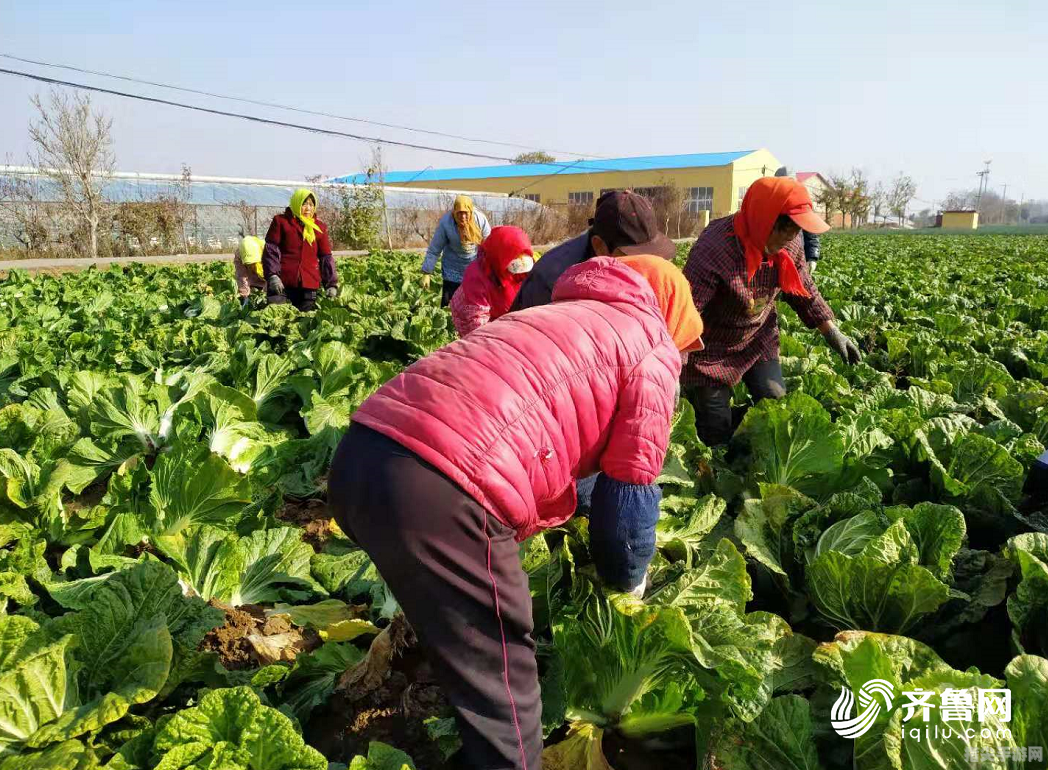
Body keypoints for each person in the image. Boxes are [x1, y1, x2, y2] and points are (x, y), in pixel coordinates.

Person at [328, 255, 704, 770]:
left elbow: (585, 468)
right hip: (442, 487)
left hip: (360, 455)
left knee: (455, 628)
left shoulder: (555, 315)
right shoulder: (651, 346)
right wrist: (627, 587)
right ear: (673, 315)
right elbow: (628, 497)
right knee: (505, 680)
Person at [682, 176, 861, 447]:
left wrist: (831, 330)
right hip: (712, 349)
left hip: (758, 338)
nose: (788, 239)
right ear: (763, 220)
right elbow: (687, 311)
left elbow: (803, 289)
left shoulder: (789, 244)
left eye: (794, 232)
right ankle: (717, 468)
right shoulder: (715, 248)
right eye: (783, 231)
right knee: (714, 428)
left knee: (775, 401)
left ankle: (749, 449)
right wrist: (672, 365)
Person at [510, 190, 676, 313]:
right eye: (633, 257)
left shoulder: (623, 270)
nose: (645, 266)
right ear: (599, 246)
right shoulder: (553, 279)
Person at [449, 226, 535, 336]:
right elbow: (476, 322)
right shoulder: (477, 277)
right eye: (514, 262)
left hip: (498, 311)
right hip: (470, 316)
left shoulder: (521, 269)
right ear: (500, 256)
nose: (519, 266)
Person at [263, 188, 338, 311]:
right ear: (296, 203)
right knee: (277, 319)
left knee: (304, 322)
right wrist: (273, 276)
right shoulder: (281, 222)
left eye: (311, 204)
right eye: (304, 203)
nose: (308, 208)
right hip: (282, 282)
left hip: (308, 283)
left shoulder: (319, 227)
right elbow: (271, 250)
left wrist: (331, 284)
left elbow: (326, 257)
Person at [421, 194, 492, 306]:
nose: (463, 216)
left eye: (465, 213)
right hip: (452, 269)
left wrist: (492, 270)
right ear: (454, 212)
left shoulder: (480, 220)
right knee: (449, 305)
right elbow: (434, 249)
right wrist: (426, 273)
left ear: (470, 211)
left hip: (474, 268)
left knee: (472, 305)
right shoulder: (446, 223)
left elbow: (490, 245)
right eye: (459, 213)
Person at [775, 166, 821, 271]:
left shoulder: (801, 202)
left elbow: (811, 232)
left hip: (797, 256)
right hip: (773, 257)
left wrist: (812, 256)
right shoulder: (770, 203)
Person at [232, 234, 267, 307]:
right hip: (253, 281)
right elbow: (241, 276)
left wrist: (268, 291)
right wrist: (245, 295)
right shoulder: (239, 255)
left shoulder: (267, 249)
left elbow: (274, 273)